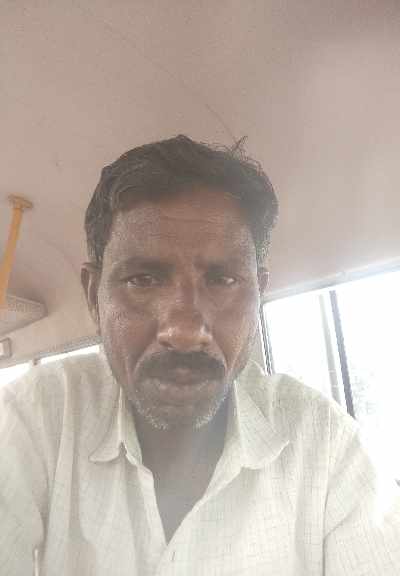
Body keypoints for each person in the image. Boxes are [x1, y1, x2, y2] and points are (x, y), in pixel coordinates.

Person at [1, 135, 399, 575]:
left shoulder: (326, 449)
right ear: (94, 296)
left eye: (223, 280)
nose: (185, 331)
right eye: (143, 279)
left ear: (258, 295)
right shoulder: (37, 416)